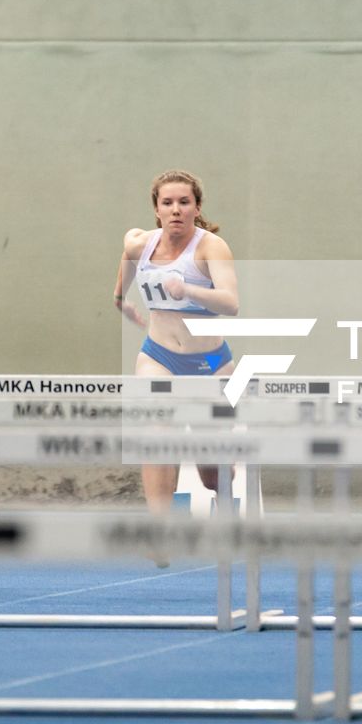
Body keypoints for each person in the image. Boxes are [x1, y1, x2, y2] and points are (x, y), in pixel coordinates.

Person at [112, 170, 241, 526]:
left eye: (184, 202)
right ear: (156, 209)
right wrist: (120, 298)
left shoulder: (211, 247)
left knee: (211, 473)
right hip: (159, 356)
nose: (175, 210)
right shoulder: (143, 244)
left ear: (197, 207)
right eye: (167, 203)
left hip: (211, 363)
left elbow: (231, 303)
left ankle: (226, 499)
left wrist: (190, 290)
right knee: (157, 435)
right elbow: (128, 254)